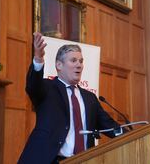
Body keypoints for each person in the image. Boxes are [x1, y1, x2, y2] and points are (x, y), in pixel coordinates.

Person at [18, 33, 123, 164]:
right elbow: (32, 86)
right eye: (73, 60)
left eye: (81, 61)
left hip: (83, 160)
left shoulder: (90, 98)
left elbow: (111, 127)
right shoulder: (47, 88)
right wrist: (38, 59)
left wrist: (138, 134)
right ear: (59, 65)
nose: (79, 65)